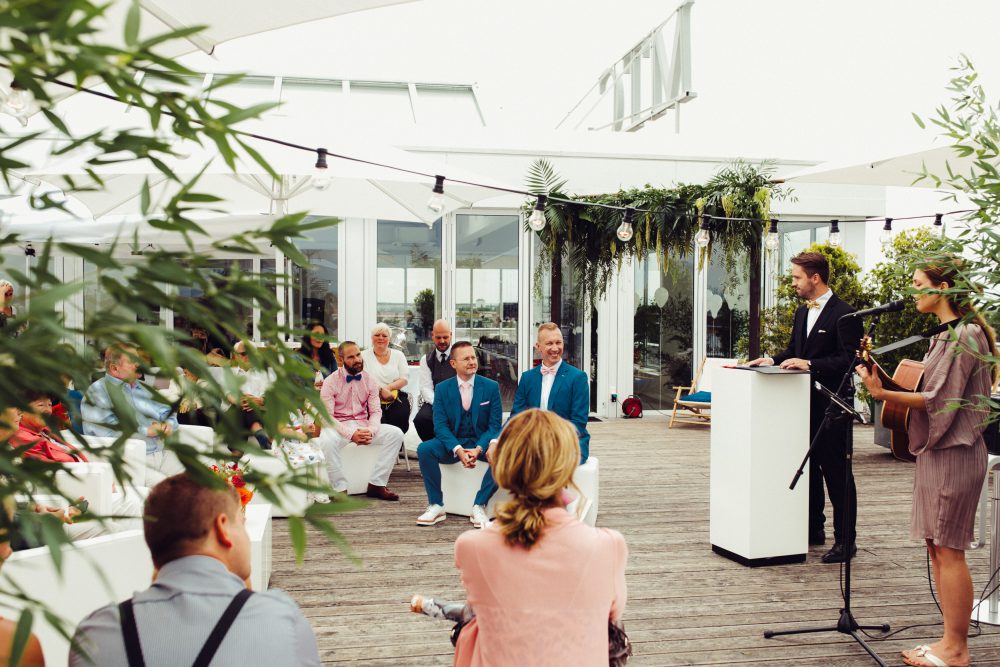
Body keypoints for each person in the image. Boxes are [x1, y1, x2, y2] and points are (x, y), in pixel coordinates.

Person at [857, 257, 996, 667]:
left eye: (919, 284)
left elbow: (939, 400)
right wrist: (878, 377)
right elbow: (926, 390)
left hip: (955, 453)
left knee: (950, 551)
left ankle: (956, 649)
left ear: (944, 288)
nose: (913, 291)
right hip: (939, 453)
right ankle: (948, 641)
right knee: (937, 548)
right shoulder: (944, 336)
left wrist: (882, 395)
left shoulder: (965, 335)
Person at [69, 473, 322, 666]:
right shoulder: (279, 619)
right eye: (241, 523)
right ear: (223, 528)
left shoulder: (96, 634)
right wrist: (248, 596)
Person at [453, 409, 627, 666]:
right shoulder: (608, 545)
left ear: (504, 468)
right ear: (567, 466)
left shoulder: (472, 546)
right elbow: (612, 613)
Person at [747, 251, 863, 564]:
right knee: (809, 468)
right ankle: (814, 529)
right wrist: (772, 359)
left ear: (815, 277)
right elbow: (794, 351)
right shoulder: (802, 312)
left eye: (797, 277)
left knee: (837, 474)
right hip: (801, 406)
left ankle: (846, 542)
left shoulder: (846, 314)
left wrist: (810, 364)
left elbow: (850, 360)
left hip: (833, 406)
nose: (793, 283)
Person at [416, 341, 501, 529]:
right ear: (453, 363)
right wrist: (458, 450)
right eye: (466, 359)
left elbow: (494, 426)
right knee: (425, 449)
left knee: (504, 455)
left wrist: (479, 449)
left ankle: (479, 505)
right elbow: (440, 426)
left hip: (481, 442)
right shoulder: (442, 389)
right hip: (454, 443)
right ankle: (436, 505)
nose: (472, 362)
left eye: (473, 357)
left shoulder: (491, 387)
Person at [489, 323, 590, 465]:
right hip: (533, 442)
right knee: (500, 456)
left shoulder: (578, 377)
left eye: (558, 343)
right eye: (549, 343)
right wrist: (496, 441)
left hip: (567, 442)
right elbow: (516, 416)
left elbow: (578, 423)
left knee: (539, 463)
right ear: (538, 347)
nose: (555, 348)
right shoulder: (527, 378)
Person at [81, 344, 183, 479]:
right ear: (114, 368)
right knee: (170, 487)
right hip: (130, 461)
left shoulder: (145, 389)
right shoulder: (97, 393)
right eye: (132, 361)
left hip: (161, 453)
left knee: (199, 477)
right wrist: (146, 431)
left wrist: (168, 425)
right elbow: (107, 434)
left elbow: (168, 413)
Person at [317, 341, 402, 500]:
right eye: (351, 357)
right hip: (339, 427)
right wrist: (351, 434)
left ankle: (377, 484)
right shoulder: (330, 382)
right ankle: (339, 489)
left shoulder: (369, 380)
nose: (357, 360)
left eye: (358, 355)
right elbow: (326, 417)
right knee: (326, 441)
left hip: (363, 426)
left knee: (396, 434)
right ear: (340, 360)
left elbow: (375, 411)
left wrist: (370, 430)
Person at [361, 323, 411, 435]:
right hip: (369, 397)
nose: (381, 338)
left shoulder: (399, 355)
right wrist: (380, 390)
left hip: (395, 396)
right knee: (376, 423)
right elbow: (363, 379)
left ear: (389, 339)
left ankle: (396, 442)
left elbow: (404, 378)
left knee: (400, 417)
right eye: (377, 335)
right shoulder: (363, 356)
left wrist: (388, 388)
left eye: (384, 335)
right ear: (372, 338)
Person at [413, 319, 456, 441]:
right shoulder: (425, 359)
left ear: (451, 335)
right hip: (435, 401)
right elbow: (426, 387)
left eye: (445, 337)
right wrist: (439, 403)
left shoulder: (459, 356)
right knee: (421, 420)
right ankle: (434, 446)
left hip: (458, 401)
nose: (442, 341)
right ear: (432, 336)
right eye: (438, 337)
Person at [229, 341, 275, 450]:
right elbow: (228, 394)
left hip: (260, 410)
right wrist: (241, 402)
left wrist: (261, 400)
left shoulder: (264, 373)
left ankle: (236, 453)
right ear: (236, 356)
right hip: (235, 409)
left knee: (246, 410)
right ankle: (263, 440)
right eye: (244, 353)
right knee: (243, 409)